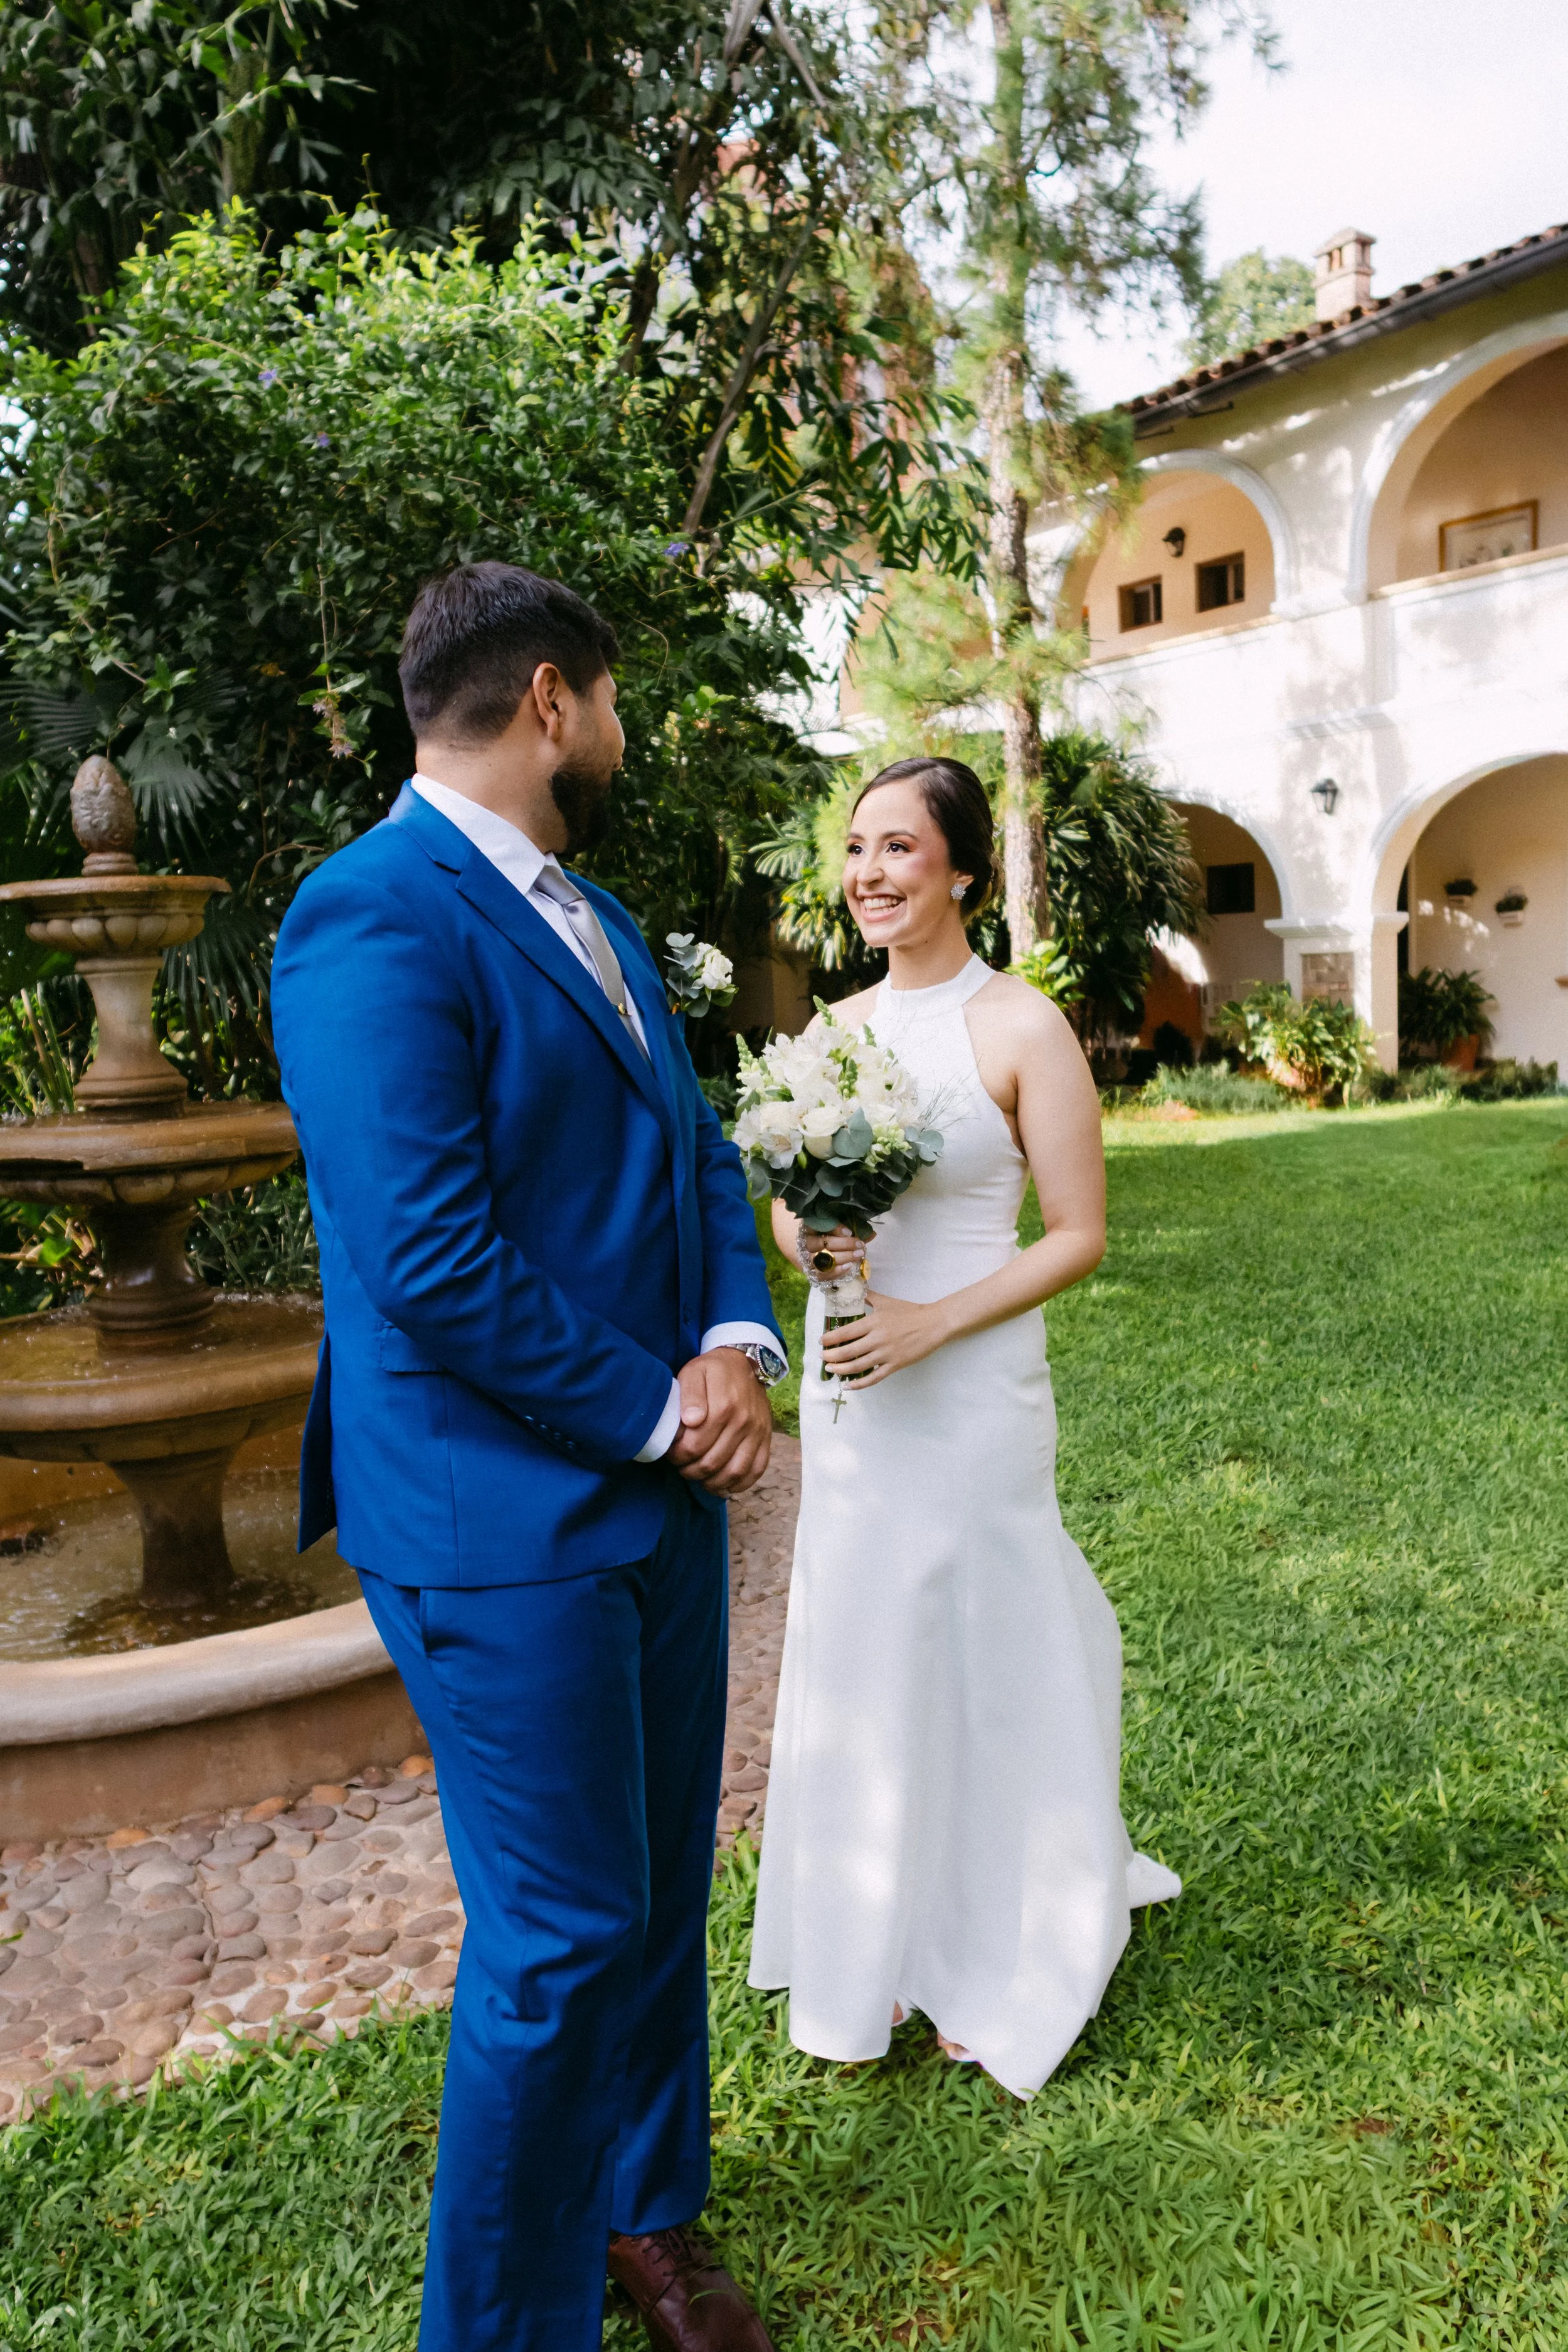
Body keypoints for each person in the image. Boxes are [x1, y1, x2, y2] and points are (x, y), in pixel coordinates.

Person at [272, 562, 789, 2352]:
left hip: (659, 1492)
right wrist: (662, 1406)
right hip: (496, 1517)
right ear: (554, 700)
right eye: (619, 698)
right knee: (560, 1934)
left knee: (648, 1894)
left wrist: (735, 1338)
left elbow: (696, 1149)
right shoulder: (367, 916)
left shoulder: (602, 913)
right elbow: (424, 1255)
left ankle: (648, 2216)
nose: (624, 730)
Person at [748, 755, 1180, 2098]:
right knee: (864, 1631)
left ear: (963, 872)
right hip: (852, 1382)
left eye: (898, 849)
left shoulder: (1017, 1029)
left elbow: (1080, 1237)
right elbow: (786, 1195)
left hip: (973, 1381)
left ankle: (998, 1934)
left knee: (979, 1635)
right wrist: (807, 1241)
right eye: (856, 849)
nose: (869, 873)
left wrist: (934, 1322)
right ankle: (872, 1932)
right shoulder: (828, 1036)